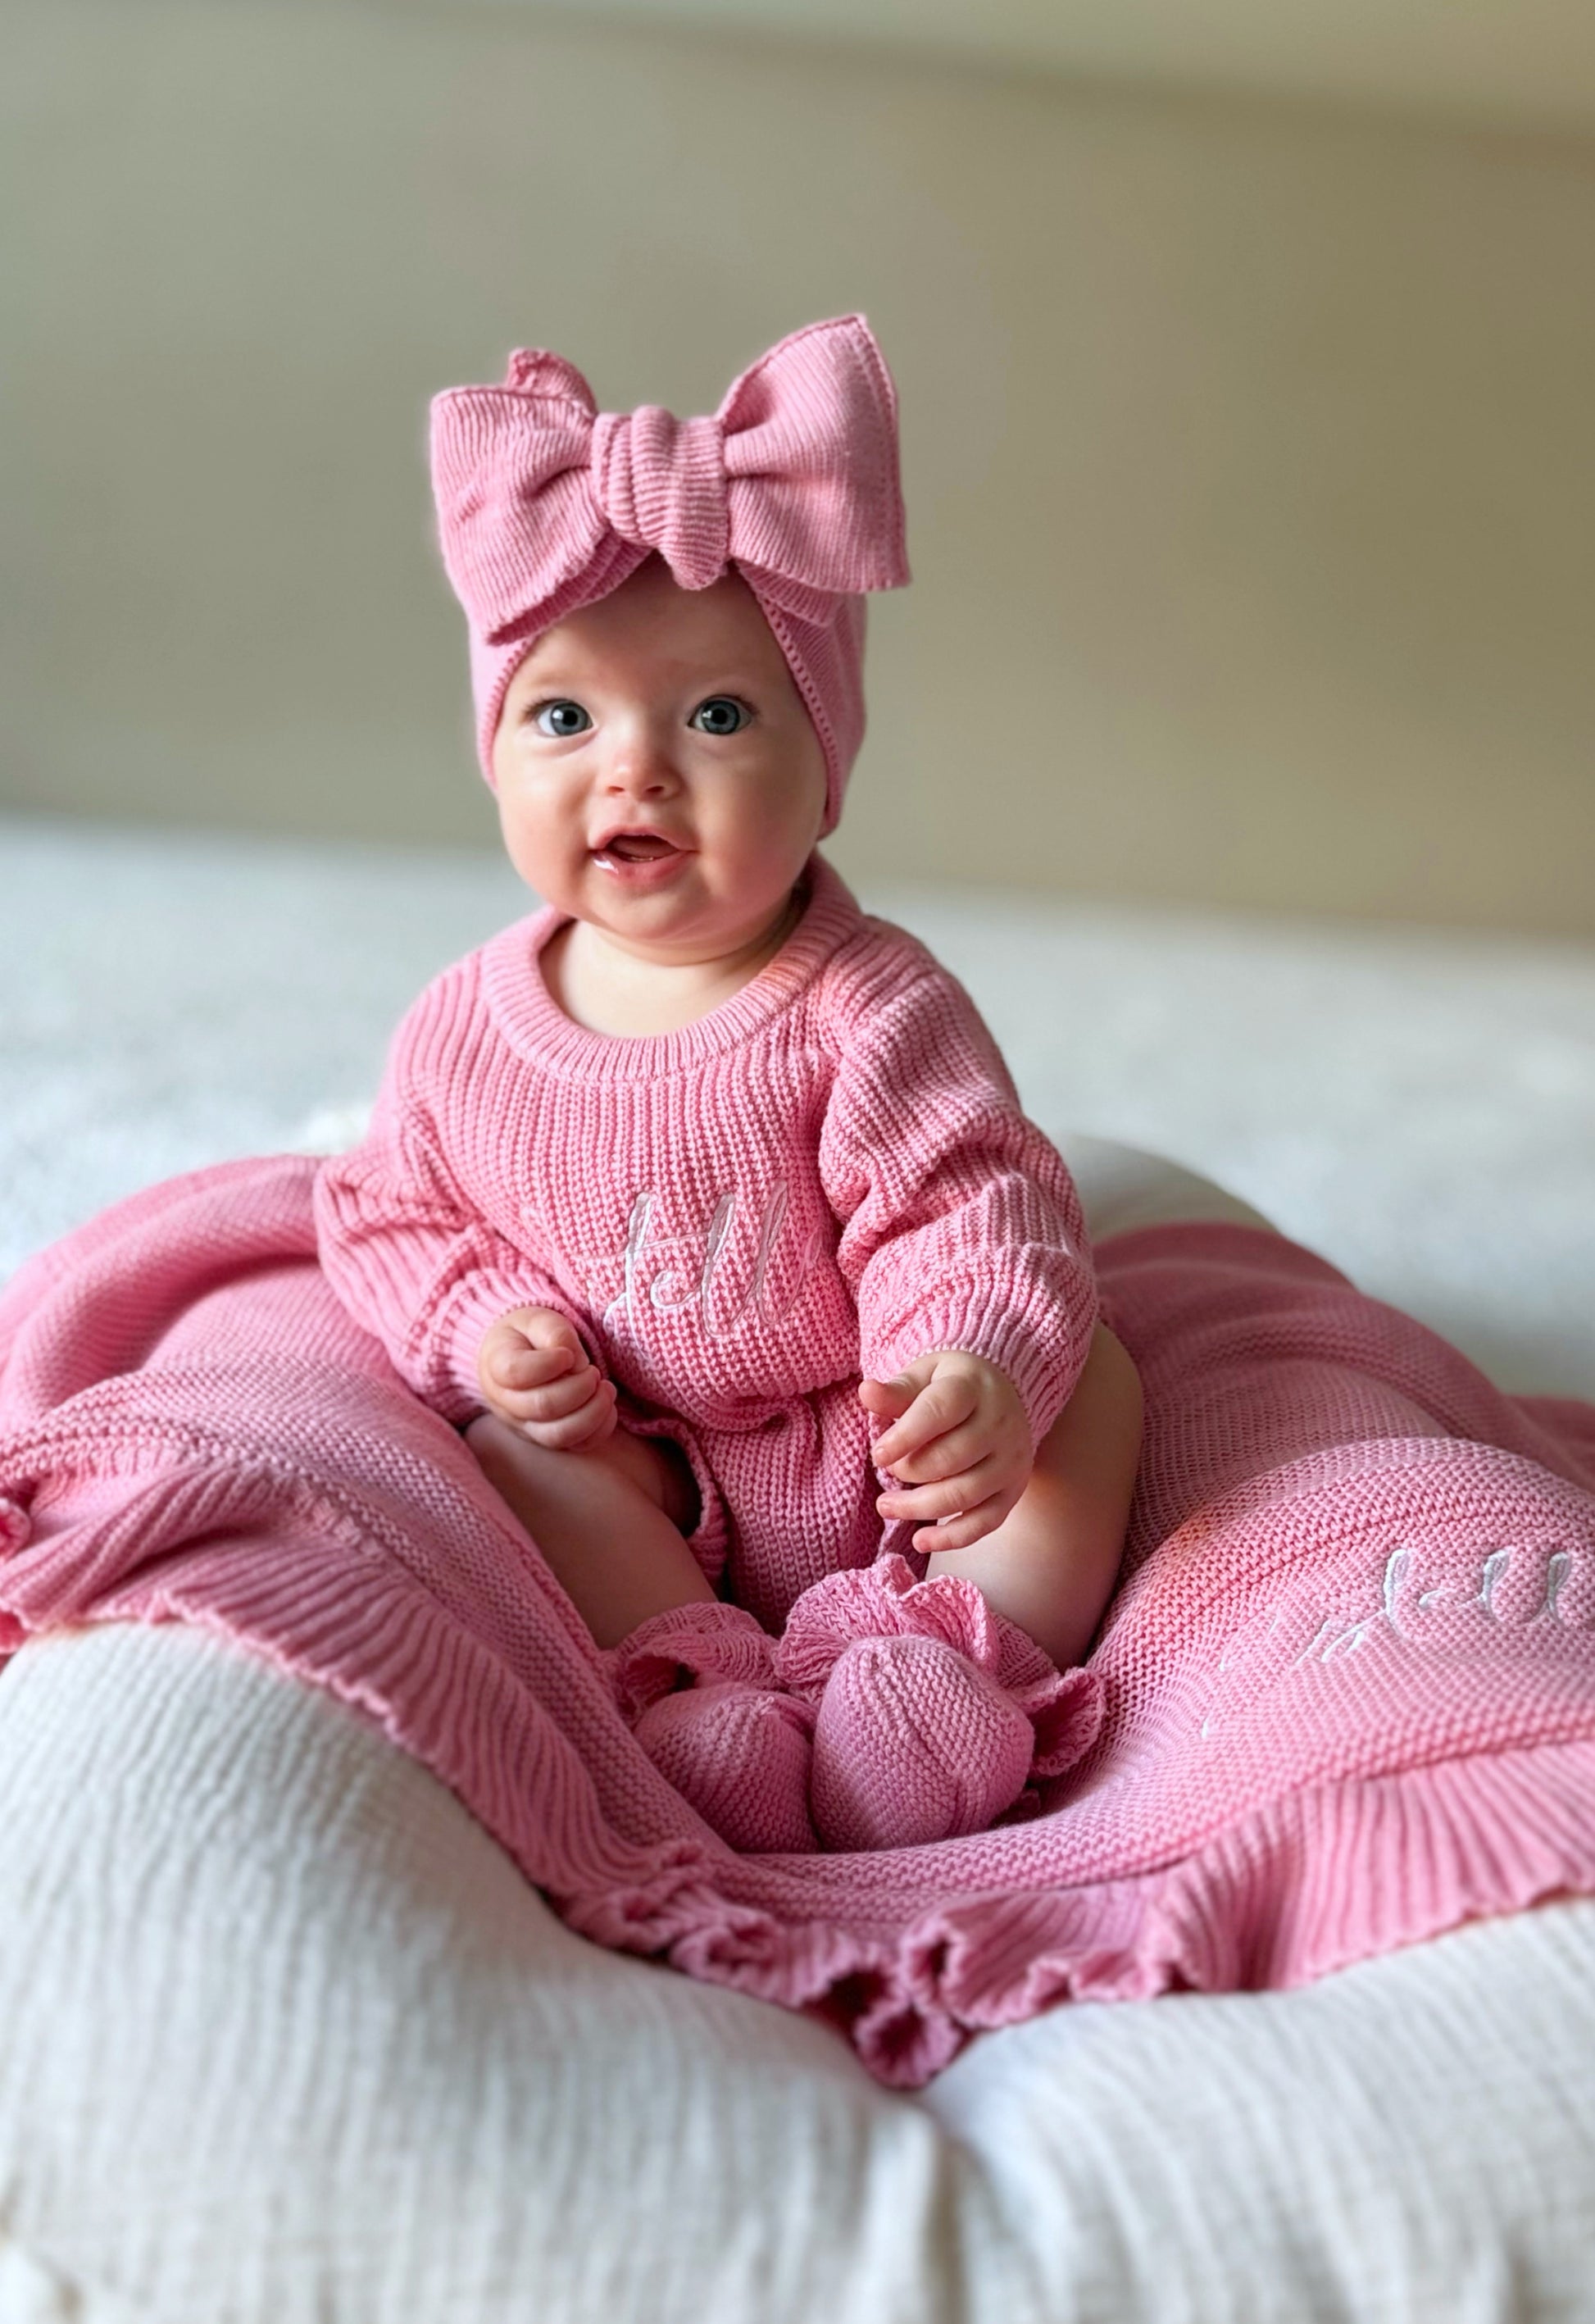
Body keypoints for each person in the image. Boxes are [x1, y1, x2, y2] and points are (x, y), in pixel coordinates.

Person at [314, 316, 1144, 1852]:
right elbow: (386, 1215)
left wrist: (971, 1373)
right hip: (651, 1461)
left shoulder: (867, 1003)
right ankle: (702, 1690)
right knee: (522, 1460)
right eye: (564, 718)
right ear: (495, 755)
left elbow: (972, 1203)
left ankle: (948, 1669)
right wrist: (488, 1330)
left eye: (715, 716)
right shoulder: (462, 1029)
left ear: (825, 770)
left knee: (1087, 1383)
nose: (632, 771)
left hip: (885, 1455)